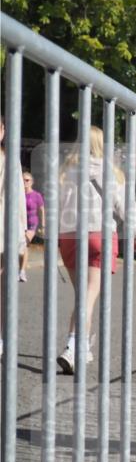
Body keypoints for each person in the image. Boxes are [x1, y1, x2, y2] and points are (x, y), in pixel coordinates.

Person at [57, 126, 136, 374]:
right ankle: (73, 346)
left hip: (69, 235)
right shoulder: (112, 173)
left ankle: (82, 347)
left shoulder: (65, 172)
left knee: (83, 296)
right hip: (99, 235)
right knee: (88, 296)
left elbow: (56, 205)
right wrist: (135, 231)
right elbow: (126, 206)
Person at [0, 116, 28, 359]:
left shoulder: (11, 161)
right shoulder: (10, 162)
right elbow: (18, 201)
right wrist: (22, 234)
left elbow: (19, 200)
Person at [20, 171, 44, 282]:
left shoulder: (36, 195)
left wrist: (43, 225)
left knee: (24, 243)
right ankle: (19, 269)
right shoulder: (18, 194)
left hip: (32, 223)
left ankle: (22, 272)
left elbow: (41, 210)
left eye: (27, 180)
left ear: (32, 182)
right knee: (21, 247)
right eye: (23, 179)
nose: (25, 182)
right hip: (20, 223)